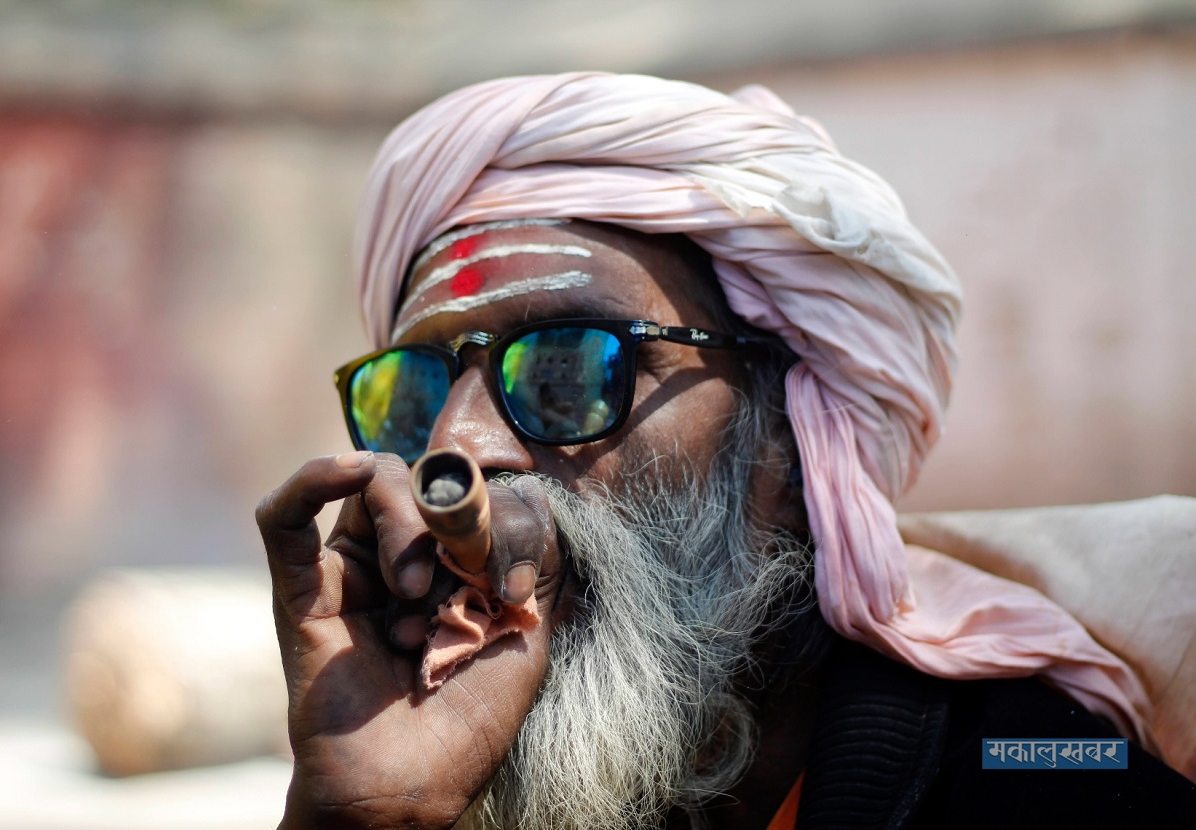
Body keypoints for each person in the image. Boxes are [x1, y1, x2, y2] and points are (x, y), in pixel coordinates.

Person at [255, 73, 1196, 829]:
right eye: (411, 396)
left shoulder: (1033, 772)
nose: (453, 447)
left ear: (788, 449)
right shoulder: (433, 778)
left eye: (569, 369)